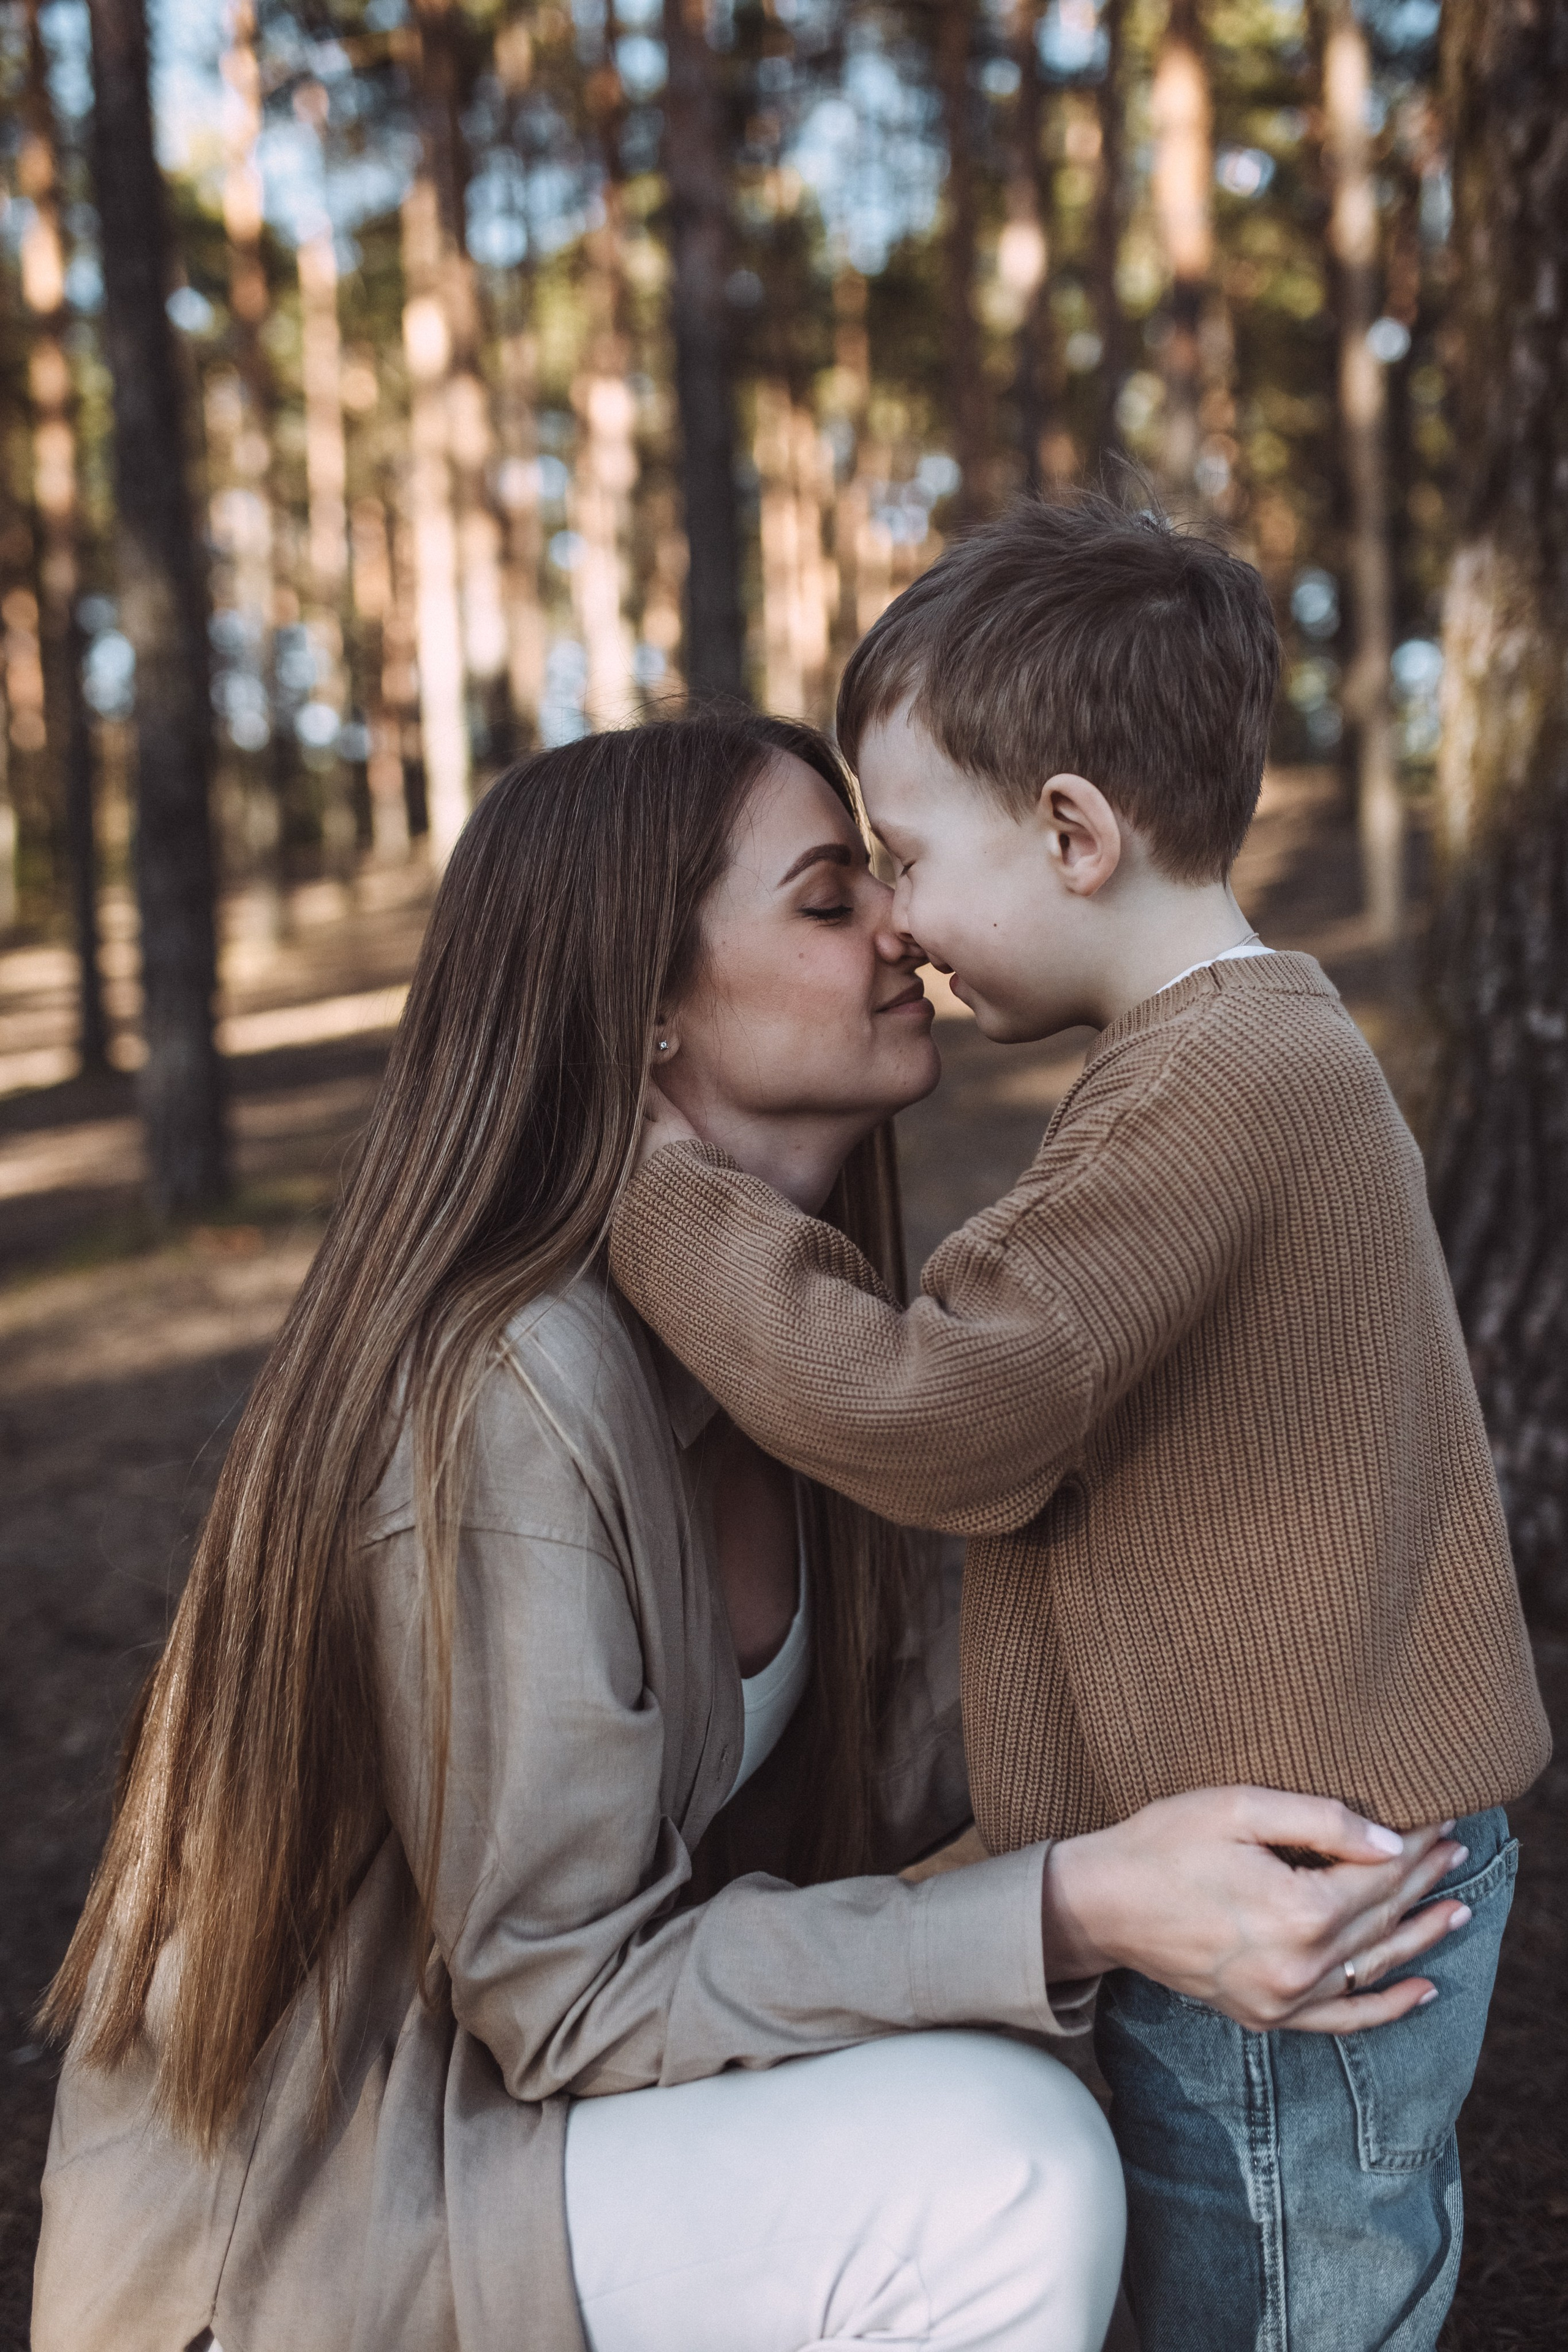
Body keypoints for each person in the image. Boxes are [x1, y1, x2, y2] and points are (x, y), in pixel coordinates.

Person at [38, 711, 1471, 2352]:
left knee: (1024, 2077)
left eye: (887, 878)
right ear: (646, 1008)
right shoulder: (512, 1384)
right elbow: (566, 1994)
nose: (904, 928)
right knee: (992, 2172)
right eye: (826, 896)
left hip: (538, 2145)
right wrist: (1080, 1906)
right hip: (338, 2217)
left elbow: (951, 1766)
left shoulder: (807, 1365)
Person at [608, 507, 1551, 2352]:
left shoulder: (1221, 1086)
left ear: (1069, 832)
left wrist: (657, 1194)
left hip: (1289, 1904)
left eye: (905, 858)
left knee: (1270, 2310)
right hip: (1291, 1845)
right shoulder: (1235, 1061)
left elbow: (943, 1414)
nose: (890, 916)